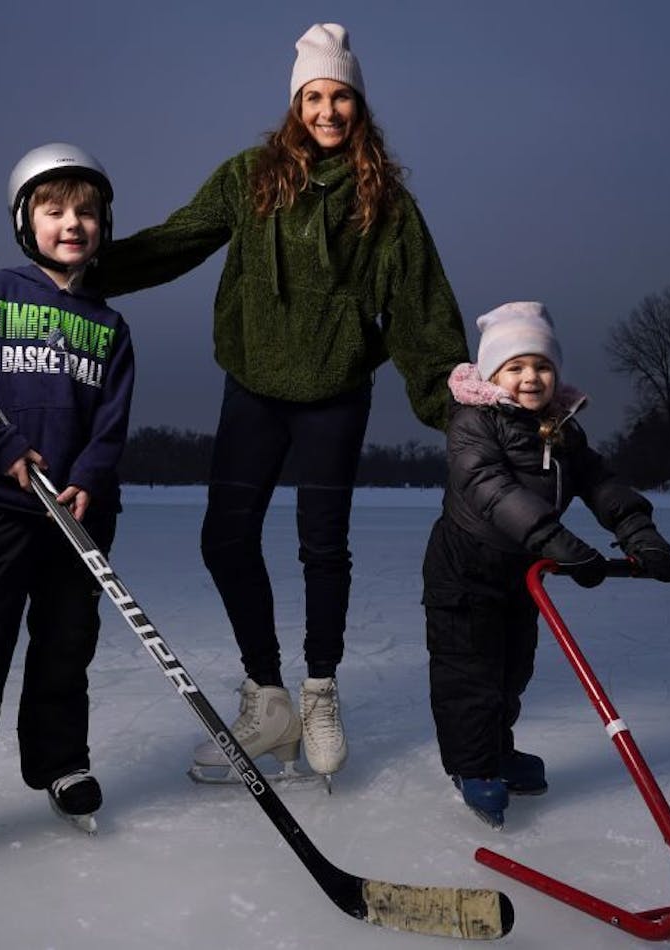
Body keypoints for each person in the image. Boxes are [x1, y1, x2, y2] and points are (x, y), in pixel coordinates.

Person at [90, 24, 467, 782]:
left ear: (359, 106)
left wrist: (460, 398)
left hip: (334, 393)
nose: (329, 110)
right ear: (297, 103)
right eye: (316, 96)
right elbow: (177, 239)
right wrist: (84, 269)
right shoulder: (250, 176)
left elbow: (421, 310)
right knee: (225, 539)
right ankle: (268, 698)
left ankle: (320, 690)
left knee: (322, 547)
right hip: (254, 386)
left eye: (342, 97)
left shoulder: (384, 202)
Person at [0, 143, 137, 847]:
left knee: (67, 644)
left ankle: (61, 763)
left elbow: (112, 421)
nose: (73, 223)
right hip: (1, 508)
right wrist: (5, 449)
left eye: (86, 212)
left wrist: (89, 479)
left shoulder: (110, 327)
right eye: (55, 210)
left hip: (78, 513)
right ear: (24, 219)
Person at [422, 302, 670, 829]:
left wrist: (638, 531)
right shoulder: (473, 423)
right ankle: (473, 766)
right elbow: (490, 491)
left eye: (540, 365)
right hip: (465, 573)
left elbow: (599, 483)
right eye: (515, 367)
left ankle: (496, 749)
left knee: (513, 669)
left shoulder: (560, 428)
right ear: (493, 374)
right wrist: (558, 542)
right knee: (470, 674)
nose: (530, 378)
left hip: (522, 573)